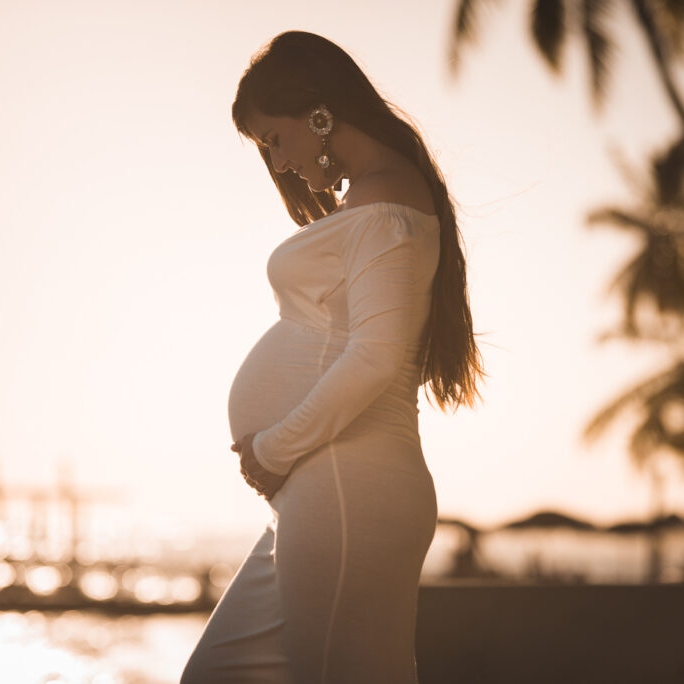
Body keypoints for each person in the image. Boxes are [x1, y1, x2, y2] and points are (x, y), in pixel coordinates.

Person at [181, 30, 484, 684]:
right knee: (220, 672)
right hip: (325, 492)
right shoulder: (377, 198)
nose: (280, 163)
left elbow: (375, 358)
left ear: (318, 114)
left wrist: (274, 449)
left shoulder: (385, 202)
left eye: (274, 139)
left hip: (347, 487)